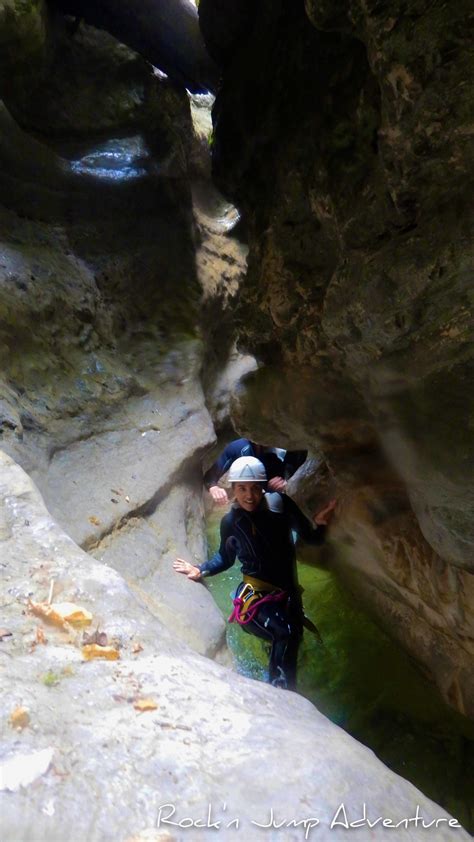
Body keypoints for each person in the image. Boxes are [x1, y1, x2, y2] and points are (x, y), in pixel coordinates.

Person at [174, 456, 336, 690]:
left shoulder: (280, 504)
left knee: (290, 637)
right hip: (256, 599)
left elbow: (310, 537)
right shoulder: (231, 522)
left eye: (254, 488)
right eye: (242, 489)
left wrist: (321, 525)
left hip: (288, 597)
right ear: (233, 490)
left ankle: (274, 667)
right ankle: (282, 696)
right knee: (287, 633)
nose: (249, 495)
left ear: (263, 488)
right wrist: (200, 569)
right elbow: (225, 559)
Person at [203, 437, 307, 504]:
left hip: (276, 498)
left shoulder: (292, 446)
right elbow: (210, 476)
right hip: (252, 498)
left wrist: (287, 483)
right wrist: (214, 488)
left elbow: (298, 473)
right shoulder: (241, 447)